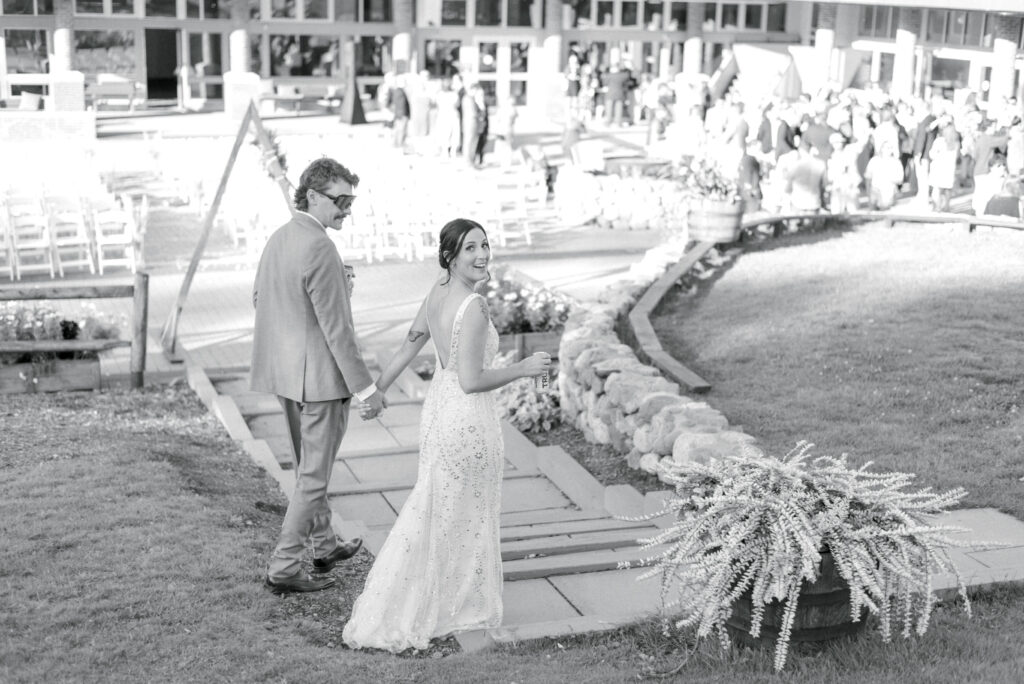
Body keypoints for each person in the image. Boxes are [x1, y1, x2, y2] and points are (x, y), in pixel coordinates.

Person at [342, 219, 551, 652]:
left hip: (439, 413)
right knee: (467, 514)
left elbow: (410, 342)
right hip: (468, 419)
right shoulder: (473, 306)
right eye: (471, 248)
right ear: (450, 257)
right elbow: (472, 380)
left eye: (486, 245)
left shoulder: (438, 290)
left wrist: (377, 390)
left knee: (437, 508)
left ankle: (425, 600)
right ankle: (456, 607)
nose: (482, 255)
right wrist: (524, 369)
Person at [251, 158, 386, 594]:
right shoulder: (321, 247)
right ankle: (285, 566)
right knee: (313, 476)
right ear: (312, 195)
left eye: (351, 200)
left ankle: (325, 546)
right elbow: (337, 330)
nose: (347, 209)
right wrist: (367, 389)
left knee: (309, 470)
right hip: (320, 383)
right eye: (340, 200)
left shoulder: (279, 238)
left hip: (287, 377)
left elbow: (262, 298)